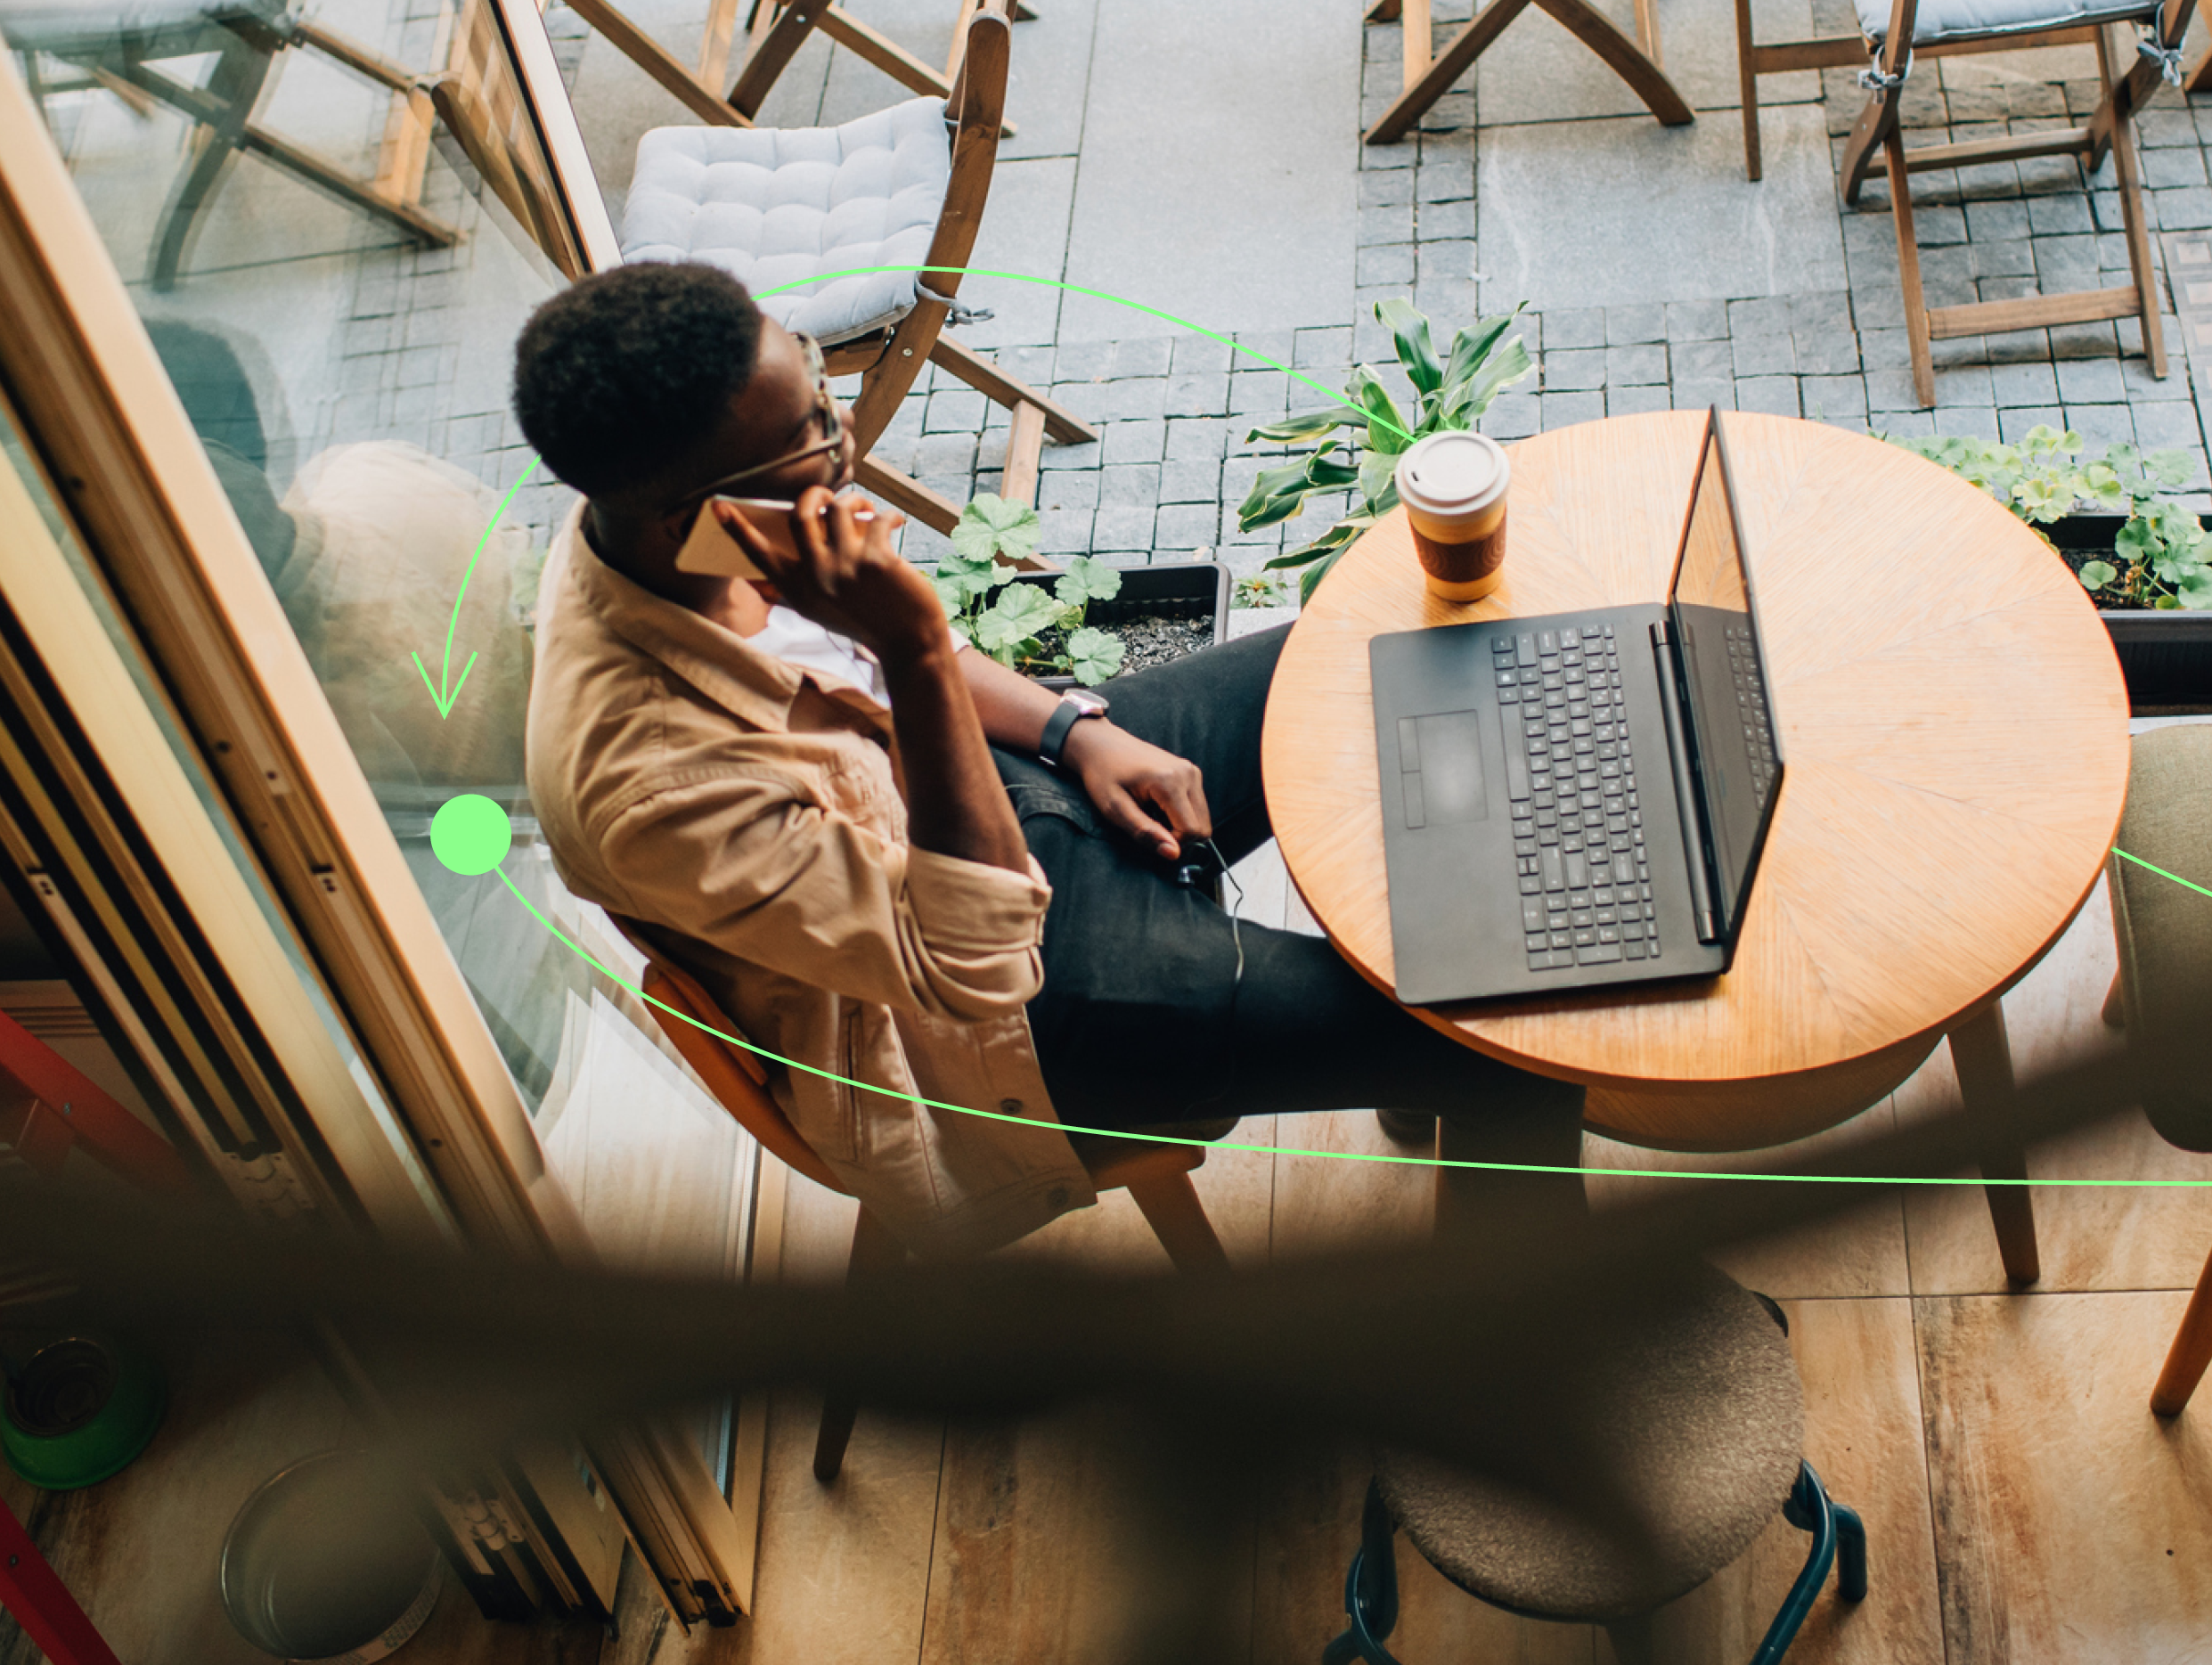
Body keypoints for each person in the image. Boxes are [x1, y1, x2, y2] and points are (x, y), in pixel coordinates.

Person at [513, 263, 1582, 1256]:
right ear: (694, 518)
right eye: (816, 440)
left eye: (822, 398)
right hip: (994, 1023)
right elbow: (979, 970)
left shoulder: (678, 528)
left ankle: (1396, 1078)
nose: (847, 448)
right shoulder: (652, 791)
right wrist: (917, 644)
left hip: (987, 808)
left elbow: (884, 679)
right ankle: (1527, 1316)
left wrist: (1082, 731)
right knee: (1489, 1037)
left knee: (1363, 657)